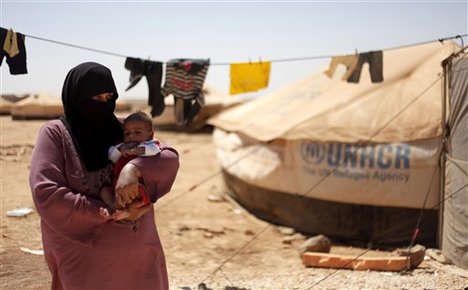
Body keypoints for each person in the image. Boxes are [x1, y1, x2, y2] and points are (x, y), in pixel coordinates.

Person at [29, 62, 179, 290]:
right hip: (85, 262)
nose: (103, 104)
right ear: (75, 97)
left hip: (139, 257)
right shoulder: (55, 134)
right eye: (95, 98)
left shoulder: (124, 130)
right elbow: (46, 193)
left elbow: (167, 158)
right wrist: (109, 212)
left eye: (109, 97)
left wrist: (133, 168)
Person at [100, 111, 162, 219]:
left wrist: (137, 151)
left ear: (150, 135)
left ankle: (122, 211)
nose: (131, 137)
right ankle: (114, 207)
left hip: (136, 186)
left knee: (135, 200)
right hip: (117, 183)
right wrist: (120, 150)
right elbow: (111, 156)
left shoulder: (149, 144)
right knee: (104, 191)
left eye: (137, 133)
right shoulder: (123, 146)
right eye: (127, 133)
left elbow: (155, 150)